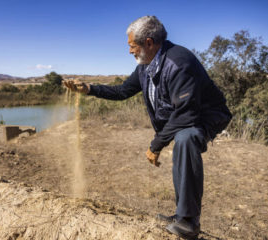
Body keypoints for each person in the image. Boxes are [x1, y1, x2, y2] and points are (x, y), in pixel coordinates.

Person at [64, 15, 231, 239]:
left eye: (132, 45)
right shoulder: (145, 65)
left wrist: (156, 144)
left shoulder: (180, 63)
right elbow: (122, 91)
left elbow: (187, 113)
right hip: (183, 114)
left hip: (206, 114)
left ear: (149, 43)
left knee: (186, 139)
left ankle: (189, 222)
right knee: (182, 140)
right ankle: (181, 214)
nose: (130, 51)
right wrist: (89, 89)